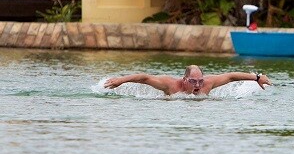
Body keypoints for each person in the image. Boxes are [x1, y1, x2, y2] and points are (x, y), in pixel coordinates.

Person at [104, 65, 272, 96]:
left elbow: (231, 76)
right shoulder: (171, 85)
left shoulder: (208, 83)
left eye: (200, 81)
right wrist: (121, 80)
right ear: (185, 79)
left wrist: (257, 77)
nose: (198, 85)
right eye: (193, 81)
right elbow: (145, 78)